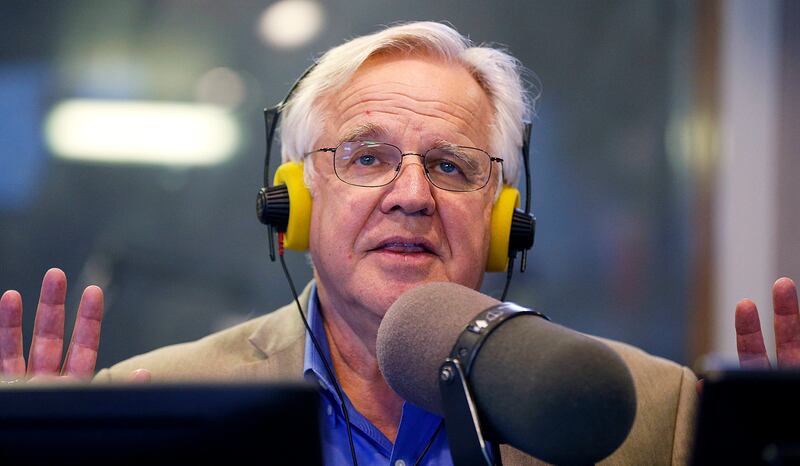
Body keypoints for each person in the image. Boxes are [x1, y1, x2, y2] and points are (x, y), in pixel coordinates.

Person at [0, 21, 797, 466]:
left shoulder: (652, 415)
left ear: (501, 221)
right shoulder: (153, 402)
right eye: (367, 158)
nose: (412, 195)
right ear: (295, 206)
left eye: (451, 166)